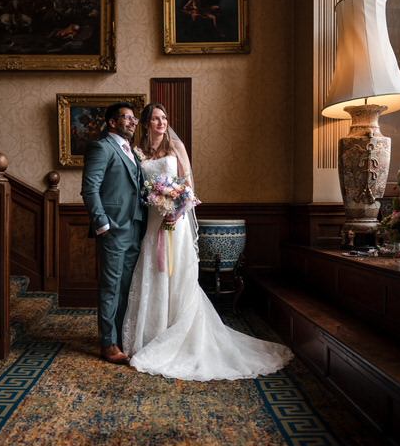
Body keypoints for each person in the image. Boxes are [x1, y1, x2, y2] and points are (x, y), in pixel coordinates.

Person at [122, 104, 294, 381]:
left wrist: (175, 214)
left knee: (176, 277)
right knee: (152, 275)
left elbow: (187, 189)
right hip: (152, 223)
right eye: (155, 119)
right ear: (145, 124)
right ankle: (151, 334)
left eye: (164, 118)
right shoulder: (139, 153)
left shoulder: (176, 148)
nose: (161, 122)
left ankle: (179, 335)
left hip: (174, 223)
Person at [81, 102, 147, 365]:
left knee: (126, 287)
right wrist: (102, 224)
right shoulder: (101, 148)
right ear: (111, 122)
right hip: (113, 229)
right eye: (127, 118)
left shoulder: (131, 152)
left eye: (134, 119)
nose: (133, 122)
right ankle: (107, 344)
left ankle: (121, 337)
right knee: (110, 286)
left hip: (135, 228)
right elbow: (90, 189)